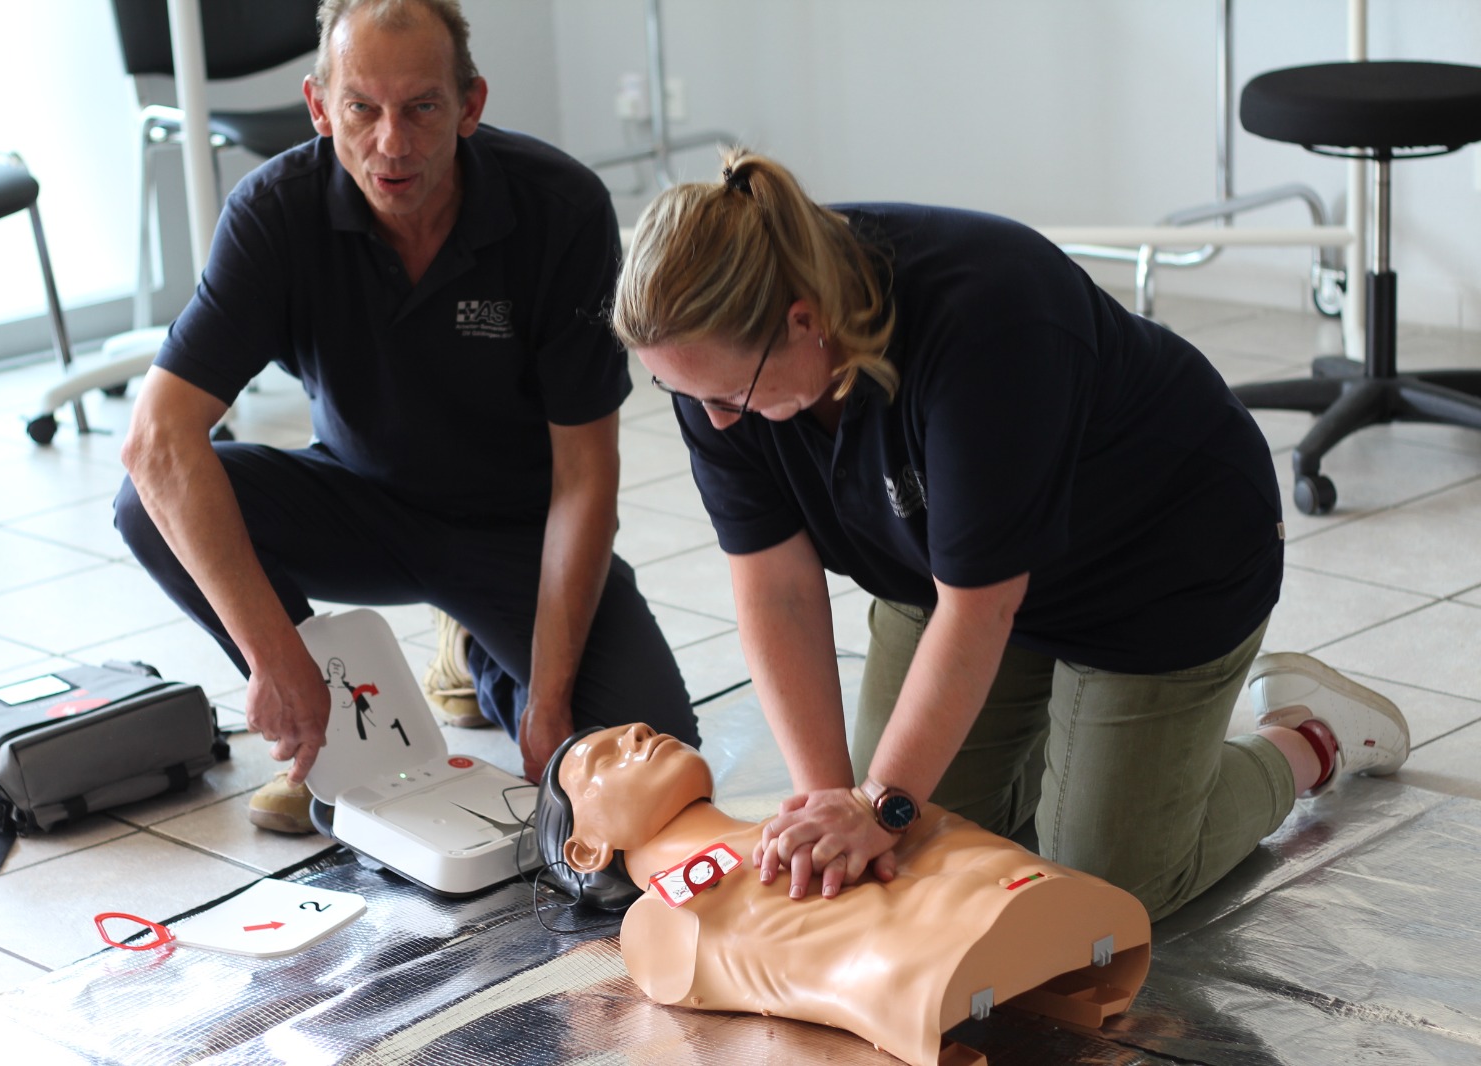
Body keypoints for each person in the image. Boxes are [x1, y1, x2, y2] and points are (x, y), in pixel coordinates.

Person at [607, 149, 1410, 922]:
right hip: (947, 568)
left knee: (1105, 883)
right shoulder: (715, 364)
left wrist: (881, 806)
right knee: (912, 851)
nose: (713, 419)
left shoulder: (984, 319)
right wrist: (836, 803)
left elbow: (980, 612)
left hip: (1155, 561)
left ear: (804, 320)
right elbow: (776, 587)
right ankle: (1077, 751)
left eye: (727, 395)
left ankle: (1305, 738)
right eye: (679, 390)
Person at [114, 0, 696, 833]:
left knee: (653, 761)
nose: (393, 142)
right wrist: (278, 658)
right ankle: (333, 738)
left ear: (470, 105)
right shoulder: (272, 214)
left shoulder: (560, 208)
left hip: (516, 535)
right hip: (362, 502)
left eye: (423, 107)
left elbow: (585, 479)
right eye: (363, 108)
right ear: (320, 108)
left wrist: (552, 702)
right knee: (149, 503)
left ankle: (482, 660)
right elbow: (156, 440)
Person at [544, 724, 1153, 1066]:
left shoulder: (799, 818)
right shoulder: (665, 918)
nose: (640, 732)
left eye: (630, 730)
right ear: (587, 850)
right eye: (606, 755)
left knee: (924, 825)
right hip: (945, 965)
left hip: (1022, 917)